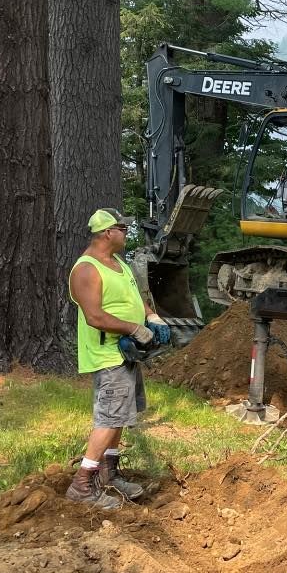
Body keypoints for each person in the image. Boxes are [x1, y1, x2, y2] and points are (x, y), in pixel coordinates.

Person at [66, 207, 169, 510]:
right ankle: (83, 483)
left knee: (122, 414)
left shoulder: (119, 264)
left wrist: (152, 316)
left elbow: (137, 298)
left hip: (126, 352)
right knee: (109, 417)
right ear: (107, 232)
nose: (126, 233)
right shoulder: (86, 269)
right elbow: (95, 316)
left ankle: (109, 475)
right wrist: (133, 328)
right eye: (122, 228)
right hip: (107, 353)